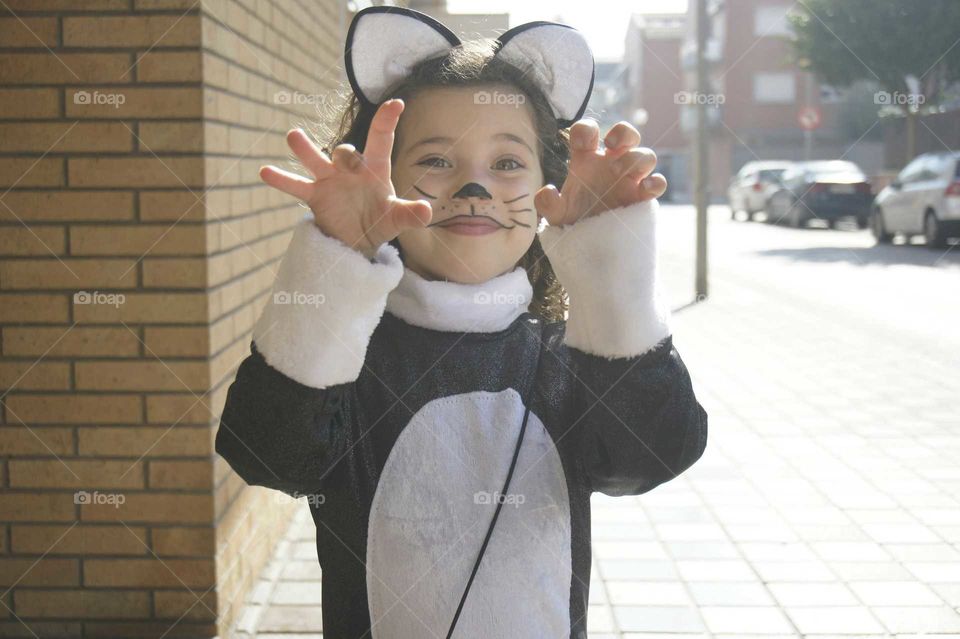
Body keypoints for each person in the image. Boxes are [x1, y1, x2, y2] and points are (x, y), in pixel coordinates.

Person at [215, 6, 708, 638]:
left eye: (506, 164)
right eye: (437, 161)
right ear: (381, 179)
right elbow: (270, 454)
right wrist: (334, 260)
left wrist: (612, 272)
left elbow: (650, 457)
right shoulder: (345, 355)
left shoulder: (571, 357)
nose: (474, 187)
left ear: (548, 192)